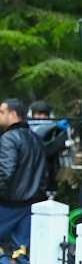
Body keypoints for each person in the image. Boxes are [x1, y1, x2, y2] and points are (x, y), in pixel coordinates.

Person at [0, 98, 46, 255]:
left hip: (9, 204)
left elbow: (5, 173)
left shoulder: (8, 138)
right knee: (21, 250)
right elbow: (45, 174)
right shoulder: (36, 139)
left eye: (2, 112)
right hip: (32, 205)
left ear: (12, 114)